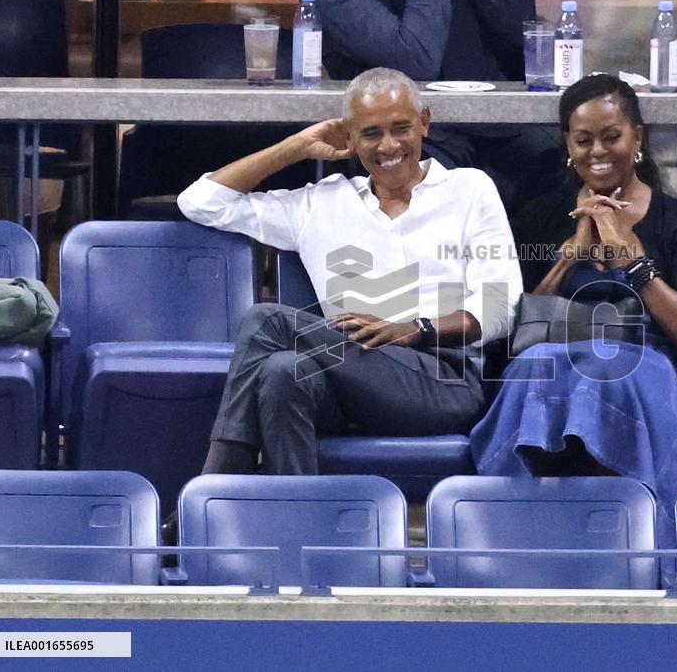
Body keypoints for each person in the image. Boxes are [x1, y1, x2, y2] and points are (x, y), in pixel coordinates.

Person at [176, 67, 522, 476]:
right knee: (280, 372)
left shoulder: (469, 189)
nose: (388, 145)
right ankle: (296, 523)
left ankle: (218, 479)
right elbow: (201, 203)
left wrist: (415, 328)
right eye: (371, 133)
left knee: (266, 320)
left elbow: (500, 305)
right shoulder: (321, 203)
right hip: (346, 379)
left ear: (424, 123)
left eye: (401, 128)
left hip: (444, 379)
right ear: (349, 137)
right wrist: (294, 148)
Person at [471, 74, 677, 551]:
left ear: (638, 138)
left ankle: (639, 545)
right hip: (551, 364)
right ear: (568, 143)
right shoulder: (540, 215)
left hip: (645, 370)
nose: (597, 151)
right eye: (583, 140)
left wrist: (631, 259)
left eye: (612, 137)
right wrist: (571, 253)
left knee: (610, 368)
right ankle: (520, 549)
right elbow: (514, 330)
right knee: (533, 369)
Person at [296, 0, 560, 215]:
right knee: (435, 211)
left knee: (567, 171)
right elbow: (416, 58)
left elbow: (523, 30)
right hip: (413, 137)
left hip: (496, 125)